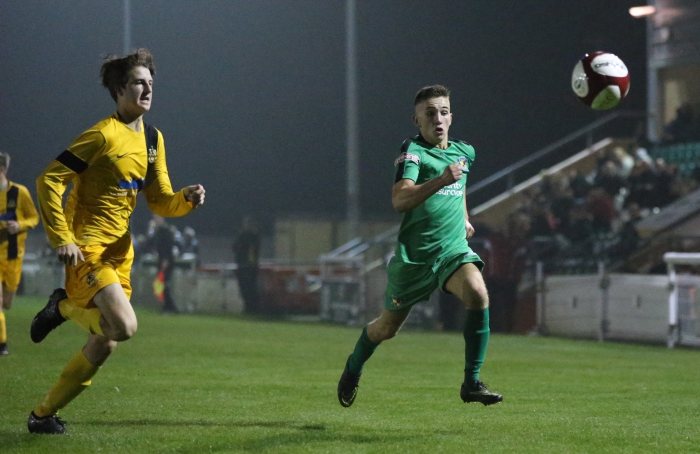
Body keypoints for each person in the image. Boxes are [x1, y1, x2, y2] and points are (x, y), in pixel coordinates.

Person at [29, 48, 205, 435]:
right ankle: (62, 307)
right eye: (139, 82)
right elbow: (49, 180)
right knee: (123, 326)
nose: (147, 89)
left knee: (104, 343)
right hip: (87, 250)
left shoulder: (154, 140)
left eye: (151, 83)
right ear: (119, 89)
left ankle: (42, 415)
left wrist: (185, 200)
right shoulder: (101, 135)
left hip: (119, 253)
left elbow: (160, 200)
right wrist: (61, 237)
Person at [337, 85, 502, 408]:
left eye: (443, 112)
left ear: (451, 117)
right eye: (429, 114)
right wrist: (441, 179)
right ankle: (353, 367)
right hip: (414, 259)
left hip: (451, 251)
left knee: (478, 294)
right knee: (386, 329)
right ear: (416, 120)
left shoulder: (464, 152)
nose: (437, 119)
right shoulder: (413, 152)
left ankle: (471, 382)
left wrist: (464, 216)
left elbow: (461, 185)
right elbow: (400, 199)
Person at [0, 152, 40, 356]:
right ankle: (2, 345)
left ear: (3, 170)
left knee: (6, 304)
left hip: (14, 257)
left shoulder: (19, 193)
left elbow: (34, 218)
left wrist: (20, 224)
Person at [233, 215, 261, 313]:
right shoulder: (246, 236)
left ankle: (251, 308)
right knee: (245, 288)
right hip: (245, 266)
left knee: (250, 288)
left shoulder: (251, 236)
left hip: (248, 266)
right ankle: (248, 307)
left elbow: (237, 249)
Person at [150, 215, 178, 313]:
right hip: (161, 260)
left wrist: (165, 260)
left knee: (163, 284)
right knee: (161, 284)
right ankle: (168, 306)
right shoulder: (158, 231)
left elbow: (168, 246)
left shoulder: (165, 231)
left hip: (166, 261)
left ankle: (170, 307)